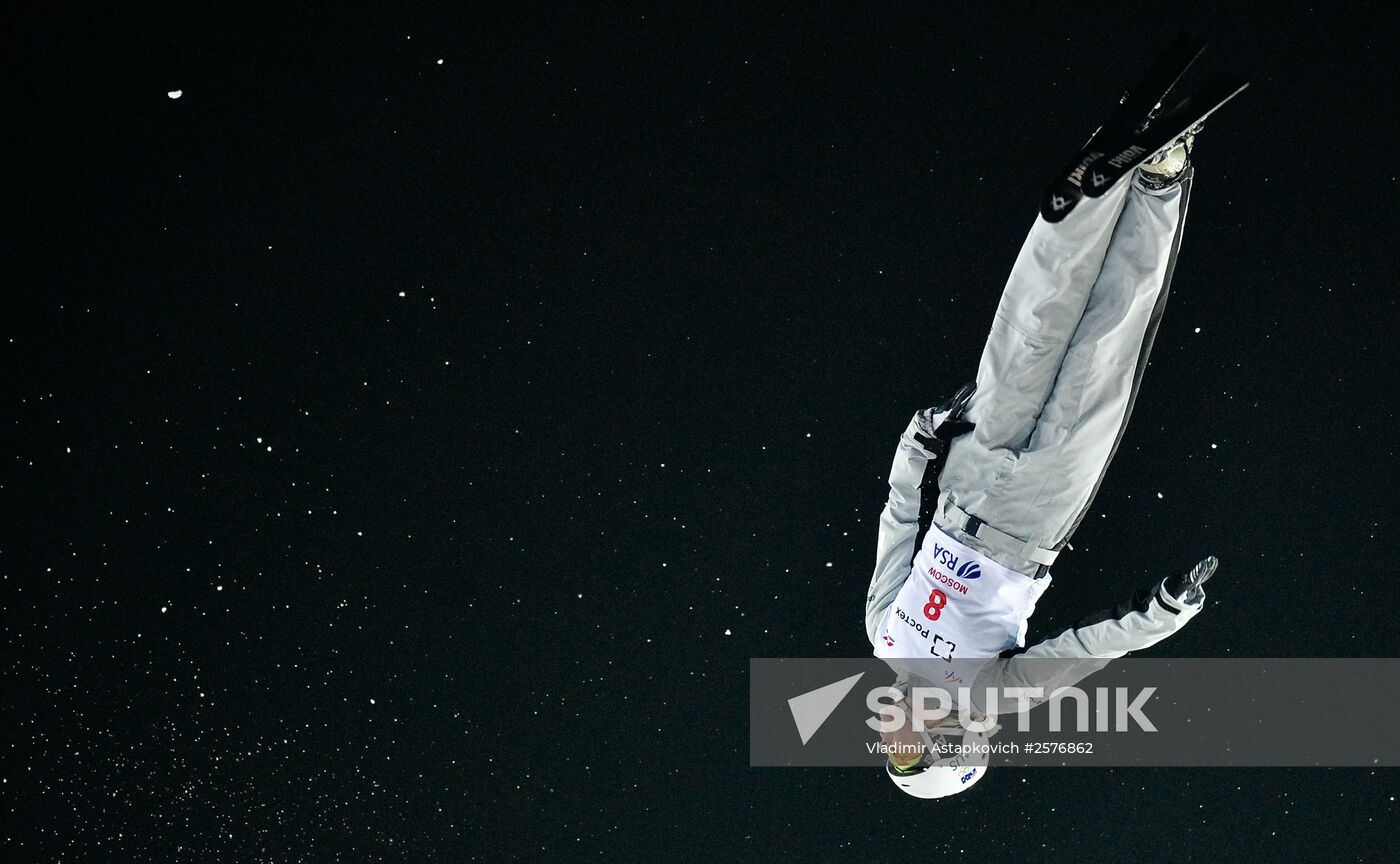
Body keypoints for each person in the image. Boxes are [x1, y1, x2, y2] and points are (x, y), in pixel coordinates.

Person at [864, 131, 1218, 798]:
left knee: (1029, 327)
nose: (890, 737)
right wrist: (1165, 611)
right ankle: (1158, 184)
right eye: (906, 753)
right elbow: (1086, 650)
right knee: (1105, 344)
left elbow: (896, 525)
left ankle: (1090, 195)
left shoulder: (883, 635)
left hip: (966, 479)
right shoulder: (992, 699)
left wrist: (916, 445)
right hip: (1037, 510)